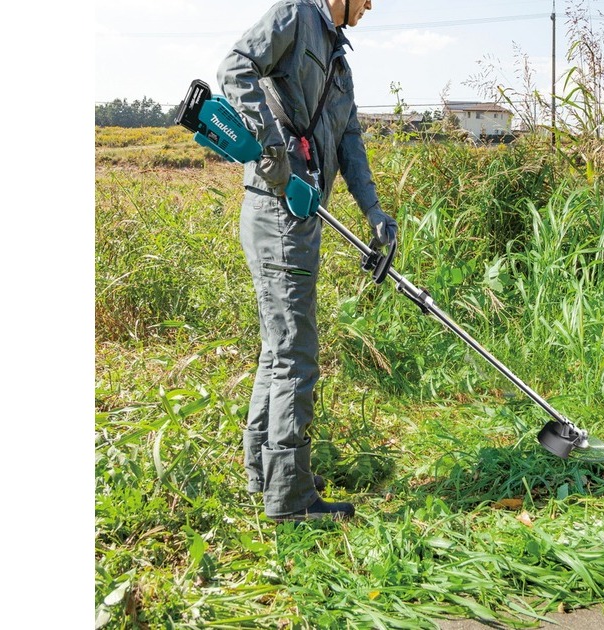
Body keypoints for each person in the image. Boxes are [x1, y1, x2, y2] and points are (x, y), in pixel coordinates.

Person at [217, 0, 396, 522]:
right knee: (297, 352)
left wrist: (374, 211)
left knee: (279, 347)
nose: (370, 5)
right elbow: (235, 67)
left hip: (303, 212)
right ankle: (291, 498)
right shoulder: (295, 15)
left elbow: (350, 141)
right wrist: (272, 150)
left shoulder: (338, 62)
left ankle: (266, 470)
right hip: (277, 207)